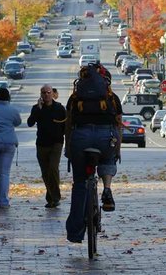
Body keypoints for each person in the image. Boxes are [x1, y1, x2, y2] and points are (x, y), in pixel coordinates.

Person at [64, 62, 123, 243]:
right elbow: (118, 125)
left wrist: (69, 147)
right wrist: (117, 149)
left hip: (80, 138)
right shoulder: (112, 98)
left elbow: (68, 125)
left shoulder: (74, 98)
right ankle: (107, 189)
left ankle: (75, 232)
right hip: (106, 137)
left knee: (80, 183)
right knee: (108, 158)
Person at [27, 85, 67, 208]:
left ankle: (55, 197)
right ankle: (51, 198)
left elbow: (66, 125)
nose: (46, 95)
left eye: (48, 92)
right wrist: (38, 109)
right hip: (42, 144)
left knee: (53, 168)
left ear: (52, 93)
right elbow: (30, 123)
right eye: (43, 93)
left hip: (56, 143)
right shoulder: (36, 108)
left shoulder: (59, 108)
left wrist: (66, 139)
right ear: (41, 94)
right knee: (45, 172)